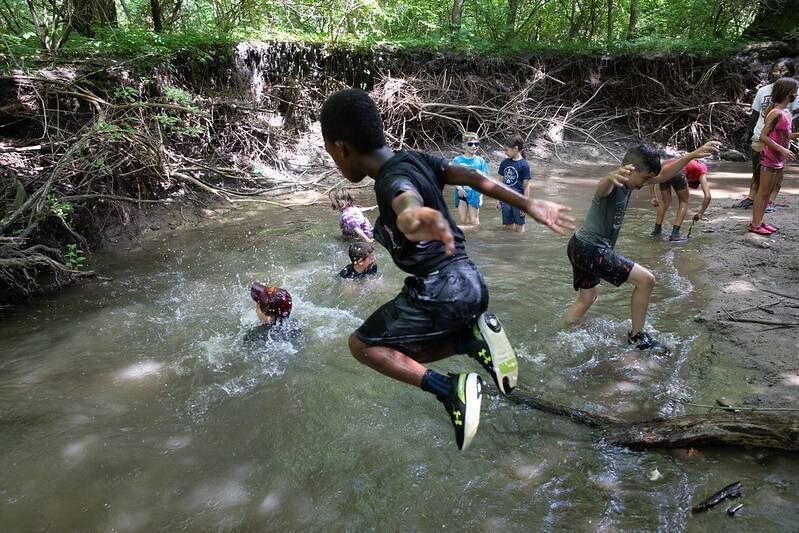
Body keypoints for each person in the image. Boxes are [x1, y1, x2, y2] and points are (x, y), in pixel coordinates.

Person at [320, 88, 575, 450]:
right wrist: (528, 204)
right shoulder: (416, 159)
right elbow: (472, 178)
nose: (336, 162)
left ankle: (450, 390)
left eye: (332, 154)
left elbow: (404, 198)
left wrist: (411, 215)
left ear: (343, 148)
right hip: (469, 281)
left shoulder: (392, 179)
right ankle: (470, 339)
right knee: (404, 356)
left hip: (440, 290)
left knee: (361, 346)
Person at [564, 142, 719, 349]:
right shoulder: (616, 182)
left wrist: (691, 155)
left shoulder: (631, 181)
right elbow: (602, 189)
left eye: (648, 178)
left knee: (587, 298)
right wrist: (609, 177)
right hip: (591, 250)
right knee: (646, 281)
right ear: (630, 169)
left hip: (578, 245)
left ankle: (562, 335)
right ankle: (637, 337)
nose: (647, 182)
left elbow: (663, 175)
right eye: (645, 178)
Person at [733, 58, 799, 211]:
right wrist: (748, 132)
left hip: (780, 138)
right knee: (757, 168)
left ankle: (770, 200)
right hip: (759, 134)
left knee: (776, 170)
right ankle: (751, 198)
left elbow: (796, 114)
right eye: (776, 69)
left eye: (783, 70)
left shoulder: (793, 91)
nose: (779, 73)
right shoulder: (763, 91)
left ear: (791, 72)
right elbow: (755, 114)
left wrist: (786, 125)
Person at [749, 77, 798, 235]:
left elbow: (786, 135)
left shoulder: (786, 113)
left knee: (768, 193)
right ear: (787, 93)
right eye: (794, 92)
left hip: (779, 160)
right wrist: (782, 150)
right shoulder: (775, 113)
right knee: (762, 192)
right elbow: (763, 136)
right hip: (769, 158)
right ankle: (755, 225)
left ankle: (760, 222)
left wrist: (796, 136)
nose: (796, 95)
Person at [649, 159, 711, 241]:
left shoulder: (687, 161)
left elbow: (653, 176)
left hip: (663, 169)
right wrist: (700, 213)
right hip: (678, 171)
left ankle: (657, 231)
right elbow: (708, 196)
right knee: (684, 201)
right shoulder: (702, 169)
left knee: (664, 201)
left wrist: (653, 196)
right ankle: (675, 234)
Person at [452, 132, 489, 226]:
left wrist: (481, 197)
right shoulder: (457, 160)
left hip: (475, 194)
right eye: (470, 144)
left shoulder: (480, 161)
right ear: (464, 145)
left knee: (474, 221)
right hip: (461, 193)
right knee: (463, 221)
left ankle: (476, 238)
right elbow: (452, 177)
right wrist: (459, 188)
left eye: (476, 144)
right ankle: (466, 239)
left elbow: (484, 181)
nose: (474, 146)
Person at [496, 135, 532, 233]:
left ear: (516, 148)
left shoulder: (524, 165)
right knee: (507, 228)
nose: (505, 152)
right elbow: (499, 183)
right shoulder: (504, 163)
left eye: (506, 150)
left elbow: (526, 186)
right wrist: (498, 200)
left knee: (520, 228)